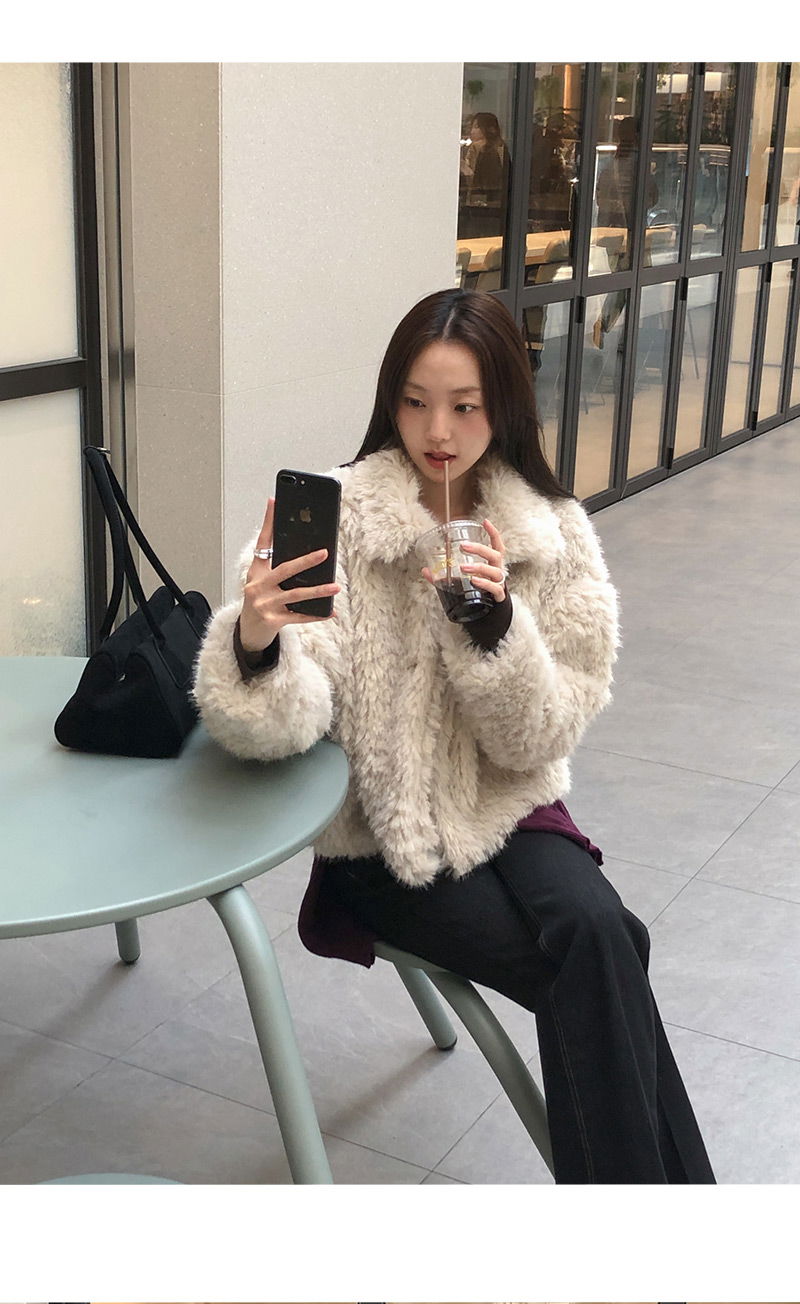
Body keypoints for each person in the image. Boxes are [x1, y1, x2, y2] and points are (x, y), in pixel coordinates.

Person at [192, 288, 715, 1185]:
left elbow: (543, 734)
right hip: (388, 842)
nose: (437, 430)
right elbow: (279, 729)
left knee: (599, 940)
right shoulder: (341, 518)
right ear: (390, 400)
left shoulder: (551, 532)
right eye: (415, 401)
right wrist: (256, 642)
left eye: (465, 406)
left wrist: (496, 629)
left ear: (503, 405)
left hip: (510, 806)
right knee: (603, 955)